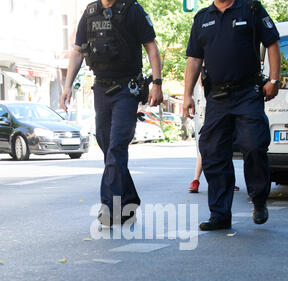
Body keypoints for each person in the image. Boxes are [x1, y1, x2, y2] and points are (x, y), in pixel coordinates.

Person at [60, 0, 163, 226]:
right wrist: (67, 86)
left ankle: (109, 206)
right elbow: (77, 51)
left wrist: (157, 83)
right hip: (101, 87)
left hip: (126, 88)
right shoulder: (90, 12)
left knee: (117, 145)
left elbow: (151, 47)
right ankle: (129, 201)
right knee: (106, 144)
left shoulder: (131, 9)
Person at [183, 0, 281, 230]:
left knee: (254, 145)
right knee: (213, 152)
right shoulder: (202, 18)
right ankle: (220, 214)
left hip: (248, 92)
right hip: (217, 96)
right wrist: (187, 94)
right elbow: (194, 59)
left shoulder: (251, 8)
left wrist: (274, 79)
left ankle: (258, 200)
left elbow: (272, 43)